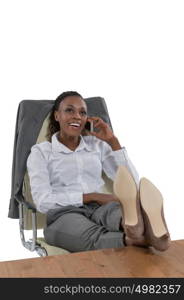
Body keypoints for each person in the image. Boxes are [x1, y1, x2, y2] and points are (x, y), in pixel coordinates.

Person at [27, 91, 170, 252]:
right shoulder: (41, 152)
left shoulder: (97, 145)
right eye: (69, 110)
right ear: (56, 116)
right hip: (63, 214)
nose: (77, 116)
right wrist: (92, 196)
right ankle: (151, 238)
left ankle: (132, 225)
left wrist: (113, 142)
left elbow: (131, 182)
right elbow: (42, 201)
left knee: (122, 216)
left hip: (101, 208)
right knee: (94, 237)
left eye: (82, 112)